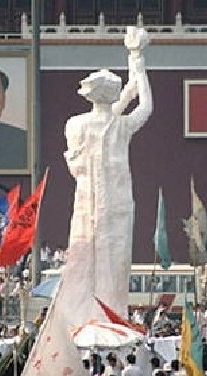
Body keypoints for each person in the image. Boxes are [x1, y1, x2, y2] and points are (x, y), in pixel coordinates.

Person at [59, 26, 152, 322]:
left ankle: (86, 315)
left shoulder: (76, 125)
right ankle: (111, 315)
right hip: (117, 202)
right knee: (115, 260)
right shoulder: (121, 126)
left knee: (86, 255)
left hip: (88, 201)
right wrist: (137, 61)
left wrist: (134, 62)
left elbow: (117, 108)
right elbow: (145, 106)